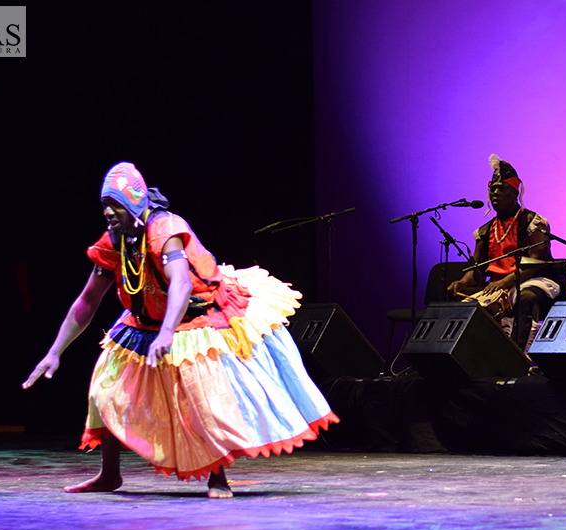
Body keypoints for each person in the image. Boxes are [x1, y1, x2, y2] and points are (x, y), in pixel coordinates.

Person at [23, 162, 338, 499]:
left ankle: (217, 477)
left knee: (201, 395)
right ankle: (109, 474)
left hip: (192, 316)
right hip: (146, 318)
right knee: (104, 389)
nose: (108, 211)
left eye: (114, 203)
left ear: (132, 202)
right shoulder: (115, 243)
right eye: (104, 204)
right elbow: (87, 302)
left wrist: (168, 332)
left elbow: (182, 285)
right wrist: (55, 351)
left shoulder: (165, 230)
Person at [447, 154, 565, 349]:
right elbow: (477, 270)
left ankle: (521, 357)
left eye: (502, 188)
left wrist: (503, 283)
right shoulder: (485, 231)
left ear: (515, 192)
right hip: (500, 286)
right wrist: (463, 282)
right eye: (492, 188)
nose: (495, 192)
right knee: (463, 300)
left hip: (537, 280)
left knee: (524, 296)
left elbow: (536, 265)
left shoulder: (533, 222)